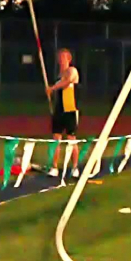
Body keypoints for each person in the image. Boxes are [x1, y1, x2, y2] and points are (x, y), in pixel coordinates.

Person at [46, 48, 80, 178]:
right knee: (56, 139)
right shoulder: (59, 76)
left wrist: (52, 88)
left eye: (63, 57)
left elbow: (68, 82)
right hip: (59, 110)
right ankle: (55, 167)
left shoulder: (72, 71)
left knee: (71, 139)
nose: (61, 60)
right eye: (59, 58)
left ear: (69, 59)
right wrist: (51, 93)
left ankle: (75, 167)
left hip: (70, 110)